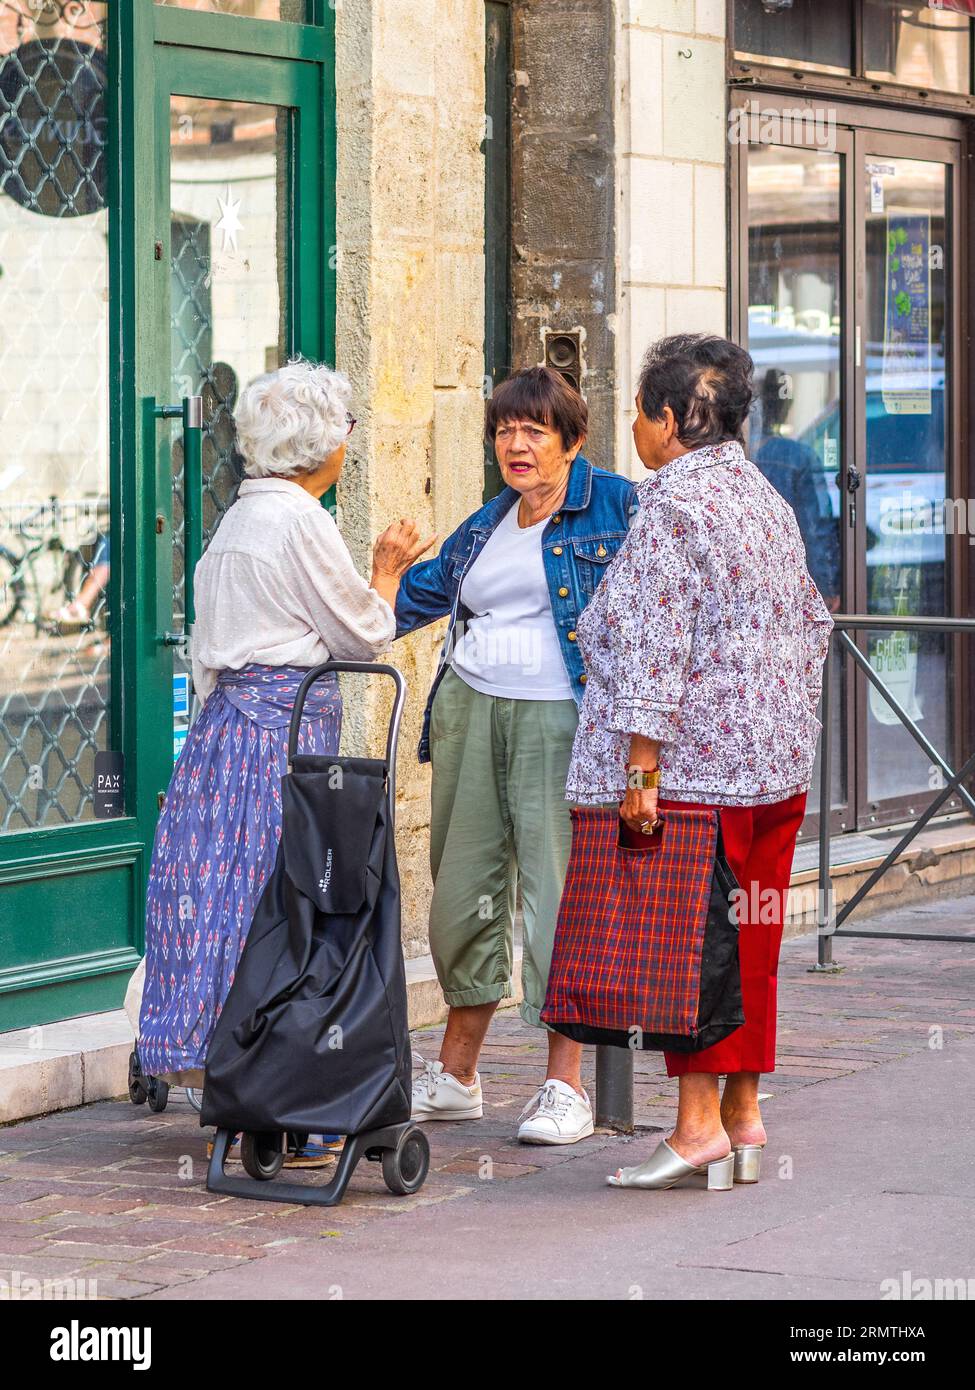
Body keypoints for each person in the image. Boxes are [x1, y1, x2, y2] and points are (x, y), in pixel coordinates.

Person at [137, 360, 433, 1144]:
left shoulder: (239, 515)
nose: (350, 443)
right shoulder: (300, 519)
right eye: (347, 428)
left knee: (225, 893)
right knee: (287, 901)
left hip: (226, 731)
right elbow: (363, 634)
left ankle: (228, 1070)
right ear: (322, 443)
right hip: (283, 735)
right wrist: (388, 572)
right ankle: (282, 1083)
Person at [564, 334, 833, 1189]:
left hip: (693, 775)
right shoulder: (764, 500)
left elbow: (651, 647)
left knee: (696, 953)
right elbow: (813, 627)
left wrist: (640, 771)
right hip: (772, 768)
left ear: (673, 419)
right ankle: (743, 1119)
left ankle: (694, 1130)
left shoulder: (672, 506)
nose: (636, 430)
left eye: (643, 412)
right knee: (750, 945)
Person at [395, 366, 638, 1144]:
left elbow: (666, 607)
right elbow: (407, 603)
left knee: (555, 892)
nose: (515, 444)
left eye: (533, 430)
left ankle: (564, 1086)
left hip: (559, 718)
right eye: (504, 429)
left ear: (573, 439)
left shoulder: (620, 505)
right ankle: (458, 1077)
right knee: (460, 891)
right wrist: (371, 578)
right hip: (469, 709)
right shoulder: (486, 522)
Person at [754, 368, 841, 611]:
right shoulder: (799, 455)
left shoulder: (742, 452)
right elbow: (815, 528)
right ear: (787, 406)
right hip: (789, 581)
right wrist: (825, 585)